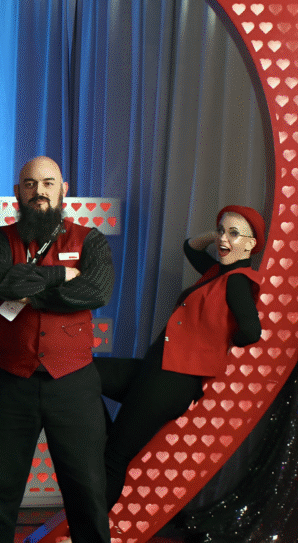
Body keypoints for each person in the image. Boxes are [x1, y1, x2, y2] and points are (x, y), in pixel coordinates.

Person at [0, 156, 114, 543]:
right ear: (18, 191)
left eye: (48, 183)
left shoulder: (91, 240)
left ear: (63, 189)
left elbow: (95, 291)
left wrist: (30, 293)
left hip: (73, 384)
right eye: (31, 184)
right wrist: (60, 277)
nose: (40, 192)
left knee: (87, 493)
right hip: (9, 382)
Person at [96, 205, 263, 510]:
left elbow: (251, 330)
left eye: (234, 233)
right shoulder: (216, 272)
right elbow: (191, 246)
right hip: (156, 370)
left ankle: (86, 536)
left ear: (252, 244)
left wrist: (219, 343)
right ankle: (114, 431)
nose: (224, 239)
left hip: (173, 380)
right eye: (222, 230)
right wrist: (217, 235)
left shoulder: (237, 280)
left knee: (114, 458)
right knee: (84, 374)